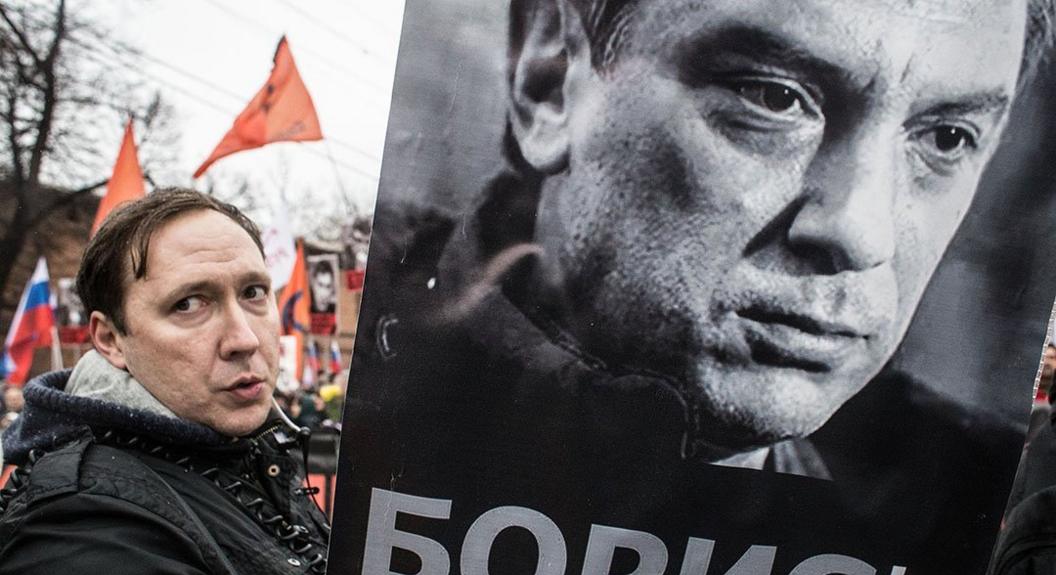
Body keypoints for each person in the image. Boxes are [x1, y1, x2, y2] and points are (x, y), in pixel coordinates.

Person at [346, 0, 1047, 481]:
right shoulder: (354, 411)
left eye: (947, 138)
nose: (861, 235)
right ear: (551, 79)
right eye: (772, 97)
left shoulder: (950, 483)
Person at [0, 188, 339, 575]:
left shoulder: (245, 448)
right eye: (188, 304)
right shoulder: (86, 520)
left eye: (253, 292)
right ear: (111, 339)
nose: (244, 337)